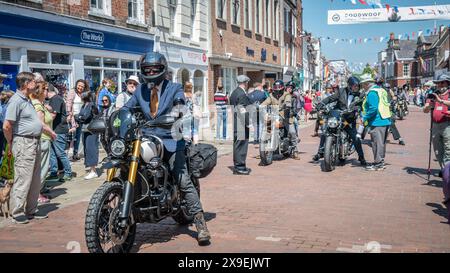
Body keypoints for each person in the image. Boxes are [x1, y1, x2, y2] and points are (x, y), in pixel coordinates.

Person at [124, 52, 210, 244]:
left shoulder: (174, 88)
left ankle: (200, 223)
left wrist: (177, 113)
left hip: (171, 139)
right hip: (147, 138)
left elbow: (180, 104)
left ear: (163, 70)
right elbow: (127, 108)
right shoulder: (139, 91)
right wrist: (114, 116)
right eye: (148, 69)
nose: (151, 71)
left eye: (155, 69)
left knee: (183, 180)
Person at [3, 72, 46, 224]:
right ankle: (17, 211)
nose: (36, 84)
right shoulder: (16, 100)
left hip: (34, 142)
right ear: (26, 84)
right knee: (23, 178)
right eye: (34, 81)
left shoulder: (27, 100)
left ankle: (31, 210)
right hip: (24, 143)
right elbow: (7, 125)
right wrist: (11, 142)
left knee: (35, 179)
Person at [313, 76, 367, 166]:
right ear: (349, 86)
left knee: (355, 137)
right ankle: (320, 152)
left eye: (357, 86)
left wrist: (357, 108)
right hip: (338, 116)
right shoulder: (341, 91)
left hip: (349, 120)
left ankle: (361, 157)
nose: (356, 88)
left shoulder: (360, 95)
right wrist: (321, 104)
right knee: (325, 131)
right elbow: (331, 98)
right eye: (354, 86)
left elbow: (362, 105)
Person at [424, 74, 450, 223]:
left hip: (447, 125)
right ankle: (446, 175)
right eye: (438, 83)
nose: (440, 85)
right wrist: (430, 106)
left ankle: (447, 179)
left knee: (448, 152)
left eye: (442, 83)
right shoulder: (433, 94)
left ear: (447, 82)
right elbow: (425, 110)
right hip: (435, 126)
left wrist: (441, 102)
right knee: (438, 152)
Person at [30, 82, 57, 203]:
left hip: (44, 139)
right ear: (40, 91)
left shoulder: (40, 104)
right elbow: (40, 123)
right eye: (45, 89)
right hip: (43, 139)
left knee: (42, 168)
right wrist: (52, 132)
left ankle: (38, 193)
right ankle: (37, 195)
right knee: (42, 169)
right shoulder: (37, 105)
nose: (47, 91)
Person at [260, 80, 299, 160]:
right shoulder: (271, 96)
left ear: (282, 88)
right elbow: (265, 103)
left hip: (286, 117)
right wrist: (260, 106)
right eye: (275, 89)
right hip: (274, 116)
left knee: (292, 132)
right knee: (267, 128)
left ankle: (295, 149)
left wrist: (287, 105)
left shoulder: (286, 94)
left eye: (279, 89)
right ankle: (263, 150)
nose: (277, 91)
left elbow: (288, 100)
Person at [360, 74, 392, 171]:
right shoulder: (381, 90)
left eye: (363, 85)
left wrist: (364, 118)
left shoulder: (372, 93)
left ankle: (378, 163)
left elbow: (373, 108)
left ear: (367, 84)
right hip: (385, 119)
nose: (362, 87)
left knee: (376, 143)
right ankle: (380, 161)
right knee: (381, 143)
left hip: (377, 121)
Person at [46, 84, 72, 182]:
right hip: (53, 129)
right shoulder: (53, 100)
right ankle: (54, 173)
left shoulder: (56, 99)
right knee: (52, 153)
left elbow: (53, 115)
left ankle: (68, 173)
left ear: (48, 90)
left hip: (59, 130)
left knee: (60, 153)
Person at [230, 75, 252, 175]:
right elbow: (242, 110)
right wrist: (248, 123)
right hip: (241, 123)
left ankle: (238, 165)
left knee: (237, 145)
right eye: (247, 83)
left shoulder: (234, 93)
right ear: (245, 83)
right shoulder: (242, 94)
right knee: (241, 146)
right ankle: (239, 167)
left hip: (236, 121)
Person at [76, 92, 100, 180]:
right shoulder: (84, 105)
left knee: (91, 149)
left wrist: (79, 118)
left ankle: (94, 171)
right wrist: (79, 117)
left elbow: (85, 117)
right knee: (87, 149)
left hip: (92, 130)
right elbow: (80, 116)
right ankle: (91, 169)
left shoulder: (91, 105)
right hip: (85, 129)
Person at [66, 79, 89, 161]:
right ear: (76, 85)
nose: (80, 87)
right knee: (72, 137)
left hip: (80, 118)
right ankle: (69, 155)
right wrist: (69, 113)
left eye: (82, 86)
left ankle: (75, 154)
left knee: (78, 137)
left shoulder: (83, 94)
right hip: (73, 117)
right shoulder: (72, 92)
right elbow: (68, 103)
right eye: (79, 85)